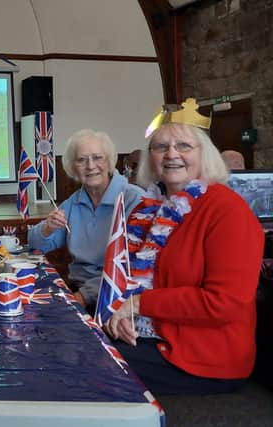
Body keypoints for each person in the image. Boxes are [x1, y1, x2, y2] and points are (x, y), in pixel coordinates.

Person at [106, 98, 264, 395]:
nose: (171, 154)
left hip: (204, 357)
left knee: (91, 365)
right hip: (151, 333)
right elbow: (131, 276)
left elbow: (223, 303)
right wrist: (122, 311)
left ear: (205, 154)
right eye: (160, 147)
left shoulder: (227, 211)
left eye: (184, 146)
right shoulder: (150, 205)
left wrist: (138, 305)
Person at [28, 129, 145, 310]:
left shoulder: (134, 200)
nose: (91, 166)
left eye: (98, 157)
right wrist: (46, 229)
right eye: (82, 160)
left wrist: (82, 297)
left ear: (109, 161)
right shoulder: (74, 202)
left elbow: (132, 267)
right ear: (73, 167)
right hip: (79, 290)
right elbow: (35, 244)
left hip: (119, 298)